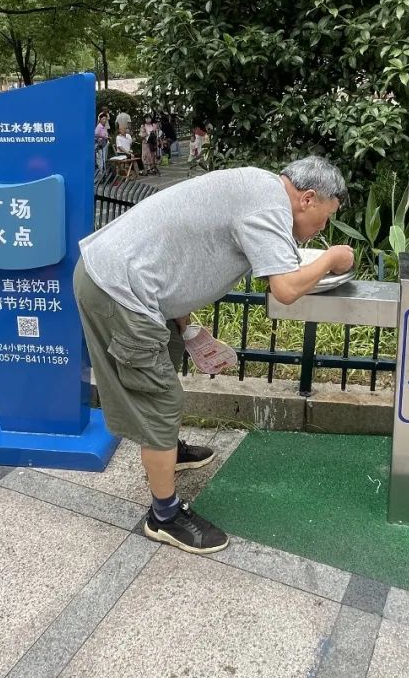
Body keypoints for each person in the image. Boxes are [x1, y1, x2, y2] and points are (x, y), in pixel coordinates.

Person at [74, 156, 352, 553]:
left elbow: (179, 251)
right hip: (119, 291)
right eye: (325, 219)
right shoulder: (268, 205)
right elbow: (286, 289)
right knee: (159, 397)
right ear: (308, 198)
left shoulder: (258, 186)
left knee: (162, 368)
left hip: (129, 281)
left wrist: (187, 327)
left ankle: (168, 449)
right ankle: (164, 515)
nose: (321, 230)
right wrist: (332, 258)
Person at [94, 108, 110, 181]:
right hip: (100, 146)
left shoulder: (104, 127)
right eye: (103, 119)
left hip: (105, 144)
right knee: (100, 161)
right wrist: (103, 137)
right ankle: (101, 177)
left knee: (104, 160)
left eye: (105, 119)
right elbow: (95, 135)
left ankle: (103, 177)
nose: (104, 120)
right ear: (100, 119)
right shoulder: (99, 126)